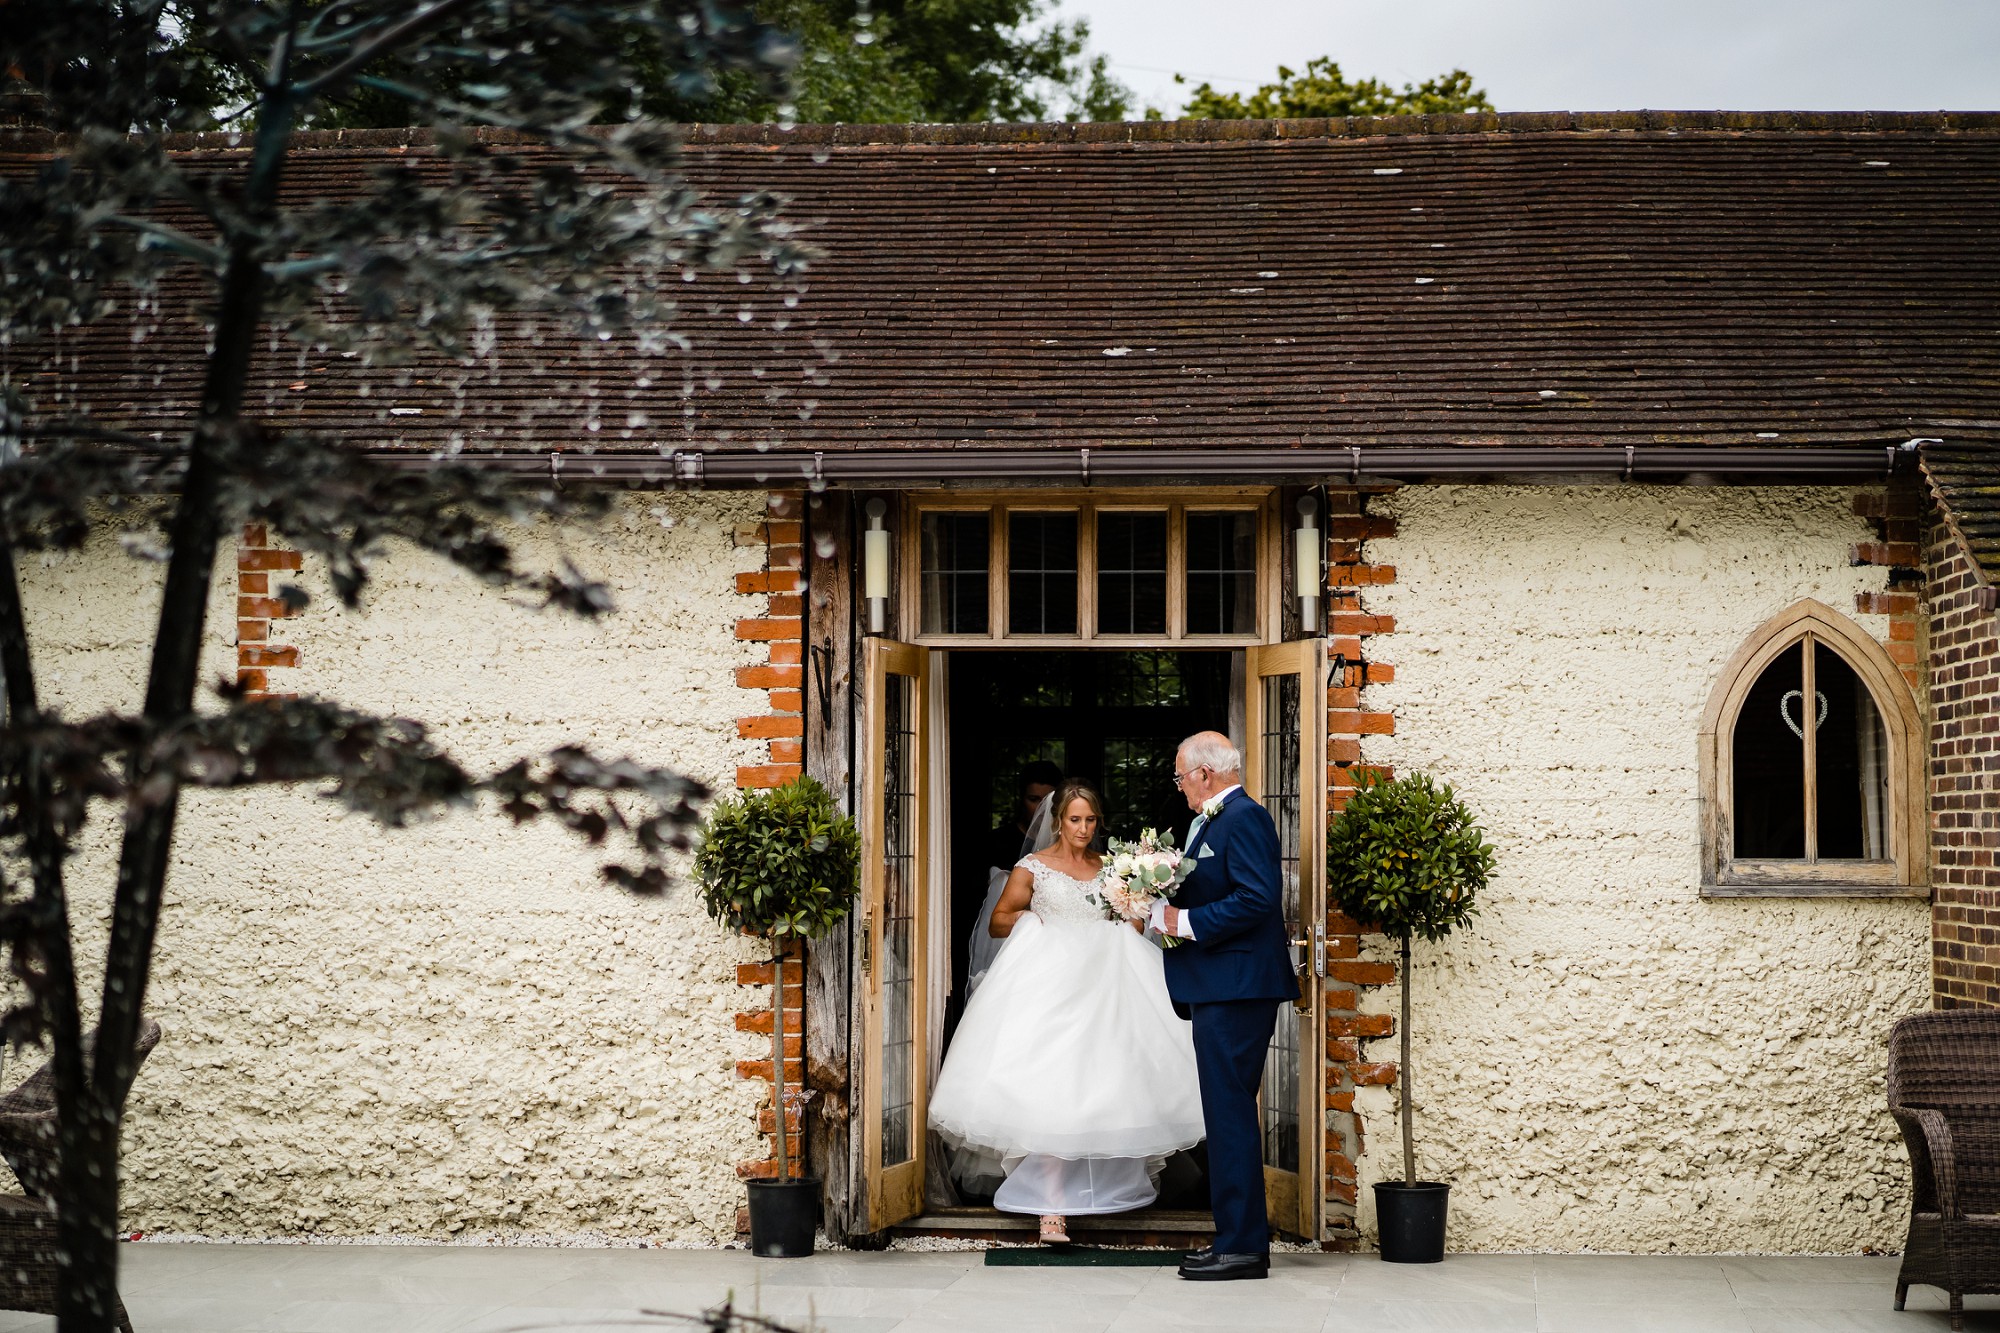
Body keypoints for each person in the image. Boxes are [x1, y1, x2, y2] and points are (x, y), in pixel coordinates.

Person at [929, 780, 1203, 1246]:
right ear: (1058, 821)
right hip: (1049, 989)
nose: (1083, 828)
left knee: (1106, 1089)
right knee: (1050, 1093)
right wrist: (1032, 920)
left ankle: (1107, 1195)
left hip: (1105, 990)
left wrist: (1135, 906)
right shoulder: (1032, 867)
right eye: (1075, 819)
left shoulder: (1112, 868)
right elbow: (998, 920)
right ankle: (1050, 1210)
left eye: (1090, 820)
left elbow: (1130, 926)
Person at [1147, 731, 1297, 1281]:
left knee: (1230, 1116)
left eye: (1181, 776)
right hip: (1219, 986)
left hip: (1236, 988)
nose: (1180, 786)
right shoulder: (1209, 821)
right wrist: (1151, 903)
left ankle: (1242, 1248)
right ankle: (1235, 1239)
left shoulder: (1244, 818)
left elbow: (1258, 898)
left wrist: (1183, 923)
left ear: (1206, 774)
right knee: (1226, 1114)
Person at [964, 761, 1063, 994]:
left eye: (1048, 800)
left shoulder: (1069, 849)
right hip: (1006, 943)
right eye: (1033, 799)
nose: (1042, 808)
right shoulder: (994, 843)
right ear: (1021, 799)